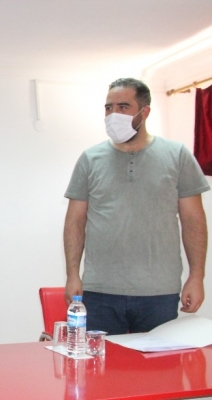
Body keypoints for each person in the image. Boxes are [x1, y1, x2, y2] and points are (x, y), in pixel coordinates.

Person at [64, 78, 209, 335]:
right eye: (108, 108)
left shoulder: (177, 155)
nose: (113, 115)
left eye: (123, 107)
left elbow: (193, 221)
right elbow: (75, 221)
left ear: (145, 112)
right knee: (101, 361)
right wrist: (72, 274)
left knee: (158, 362)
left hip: (159, 292)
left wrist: (196, 277)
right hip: (100, 291)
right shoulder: (90, 159)